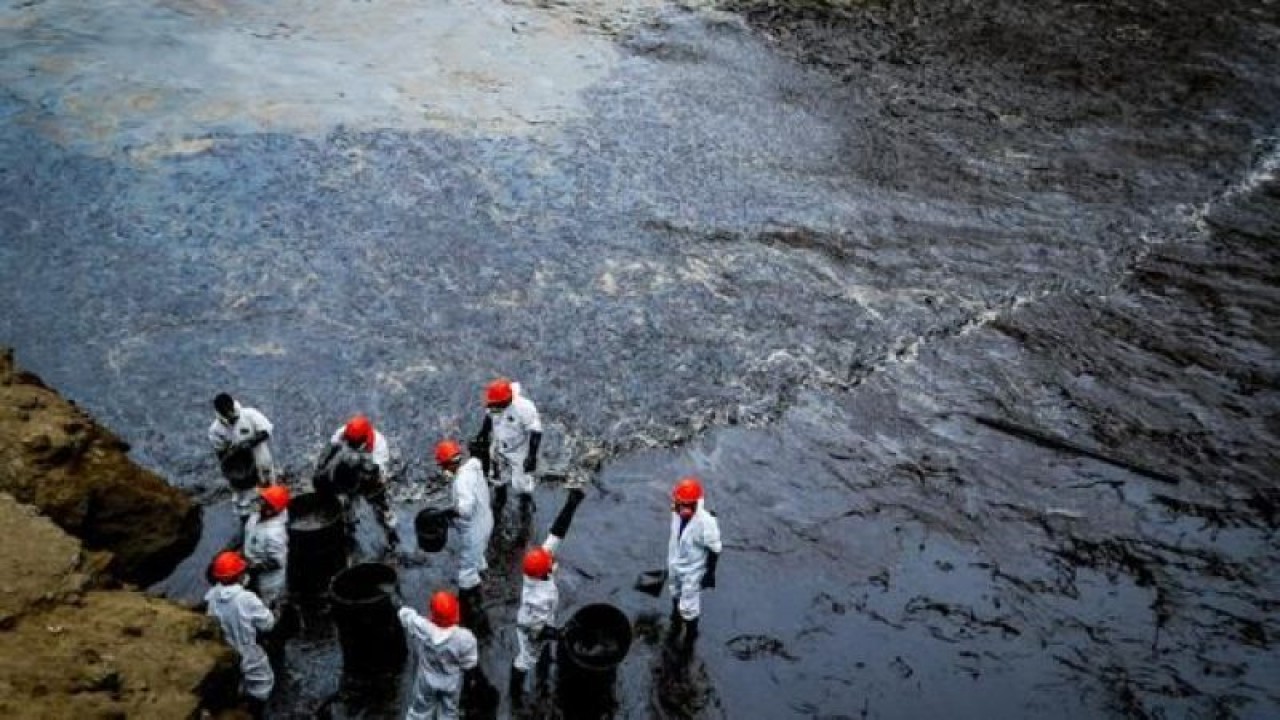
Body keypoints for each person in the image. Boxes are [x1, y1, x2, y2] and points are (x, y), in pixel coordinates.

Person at [510, 485, 586, 705]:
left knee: (545, 648)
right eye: (549, 563)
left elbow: (556, 533)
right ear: (543, 571)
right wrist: (558, 634)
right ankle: (515, 691)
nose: (552, 559)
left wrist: (571, 505)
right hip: (531, 628)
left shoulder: (537, 563)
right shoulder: (536, 599)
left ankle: (544, 659)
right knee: (526, 659)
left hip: (545, 617)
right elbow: (536, 630)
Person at [206, 550, 276, 716]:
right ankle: (254, 712)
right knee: (262, 685)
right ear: (239, 574)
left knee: (239, 683)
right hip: (248, 652)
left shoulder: (211, 597)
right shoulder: (246, 598)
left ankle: (240, 702)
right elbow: (268, 624)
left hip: (227, 652)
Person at [433, 439, 493, 635]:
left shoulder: (461, 482)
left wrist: (446, 513)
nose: (444, 470)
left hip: (474, 530)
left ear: (450, 464)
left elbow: (465, 510)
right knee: (479, 555)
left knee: (466, 574)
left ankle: (470, 612)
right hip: (486, 520)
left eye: (443, 466)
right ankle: (480, 569)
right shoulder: (474, 466)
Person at [314, 413, 399, 546]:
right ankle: (349, 526)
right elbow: (329, 450)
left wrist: (361, 470)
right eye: (349, 441)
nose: (349, 443)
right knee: (348, 501)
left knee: (380, 504)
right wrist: (321, 469)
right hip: (350, 472)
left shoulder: (379, 445)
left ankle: (390, 530)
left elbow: (377, 474)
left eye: (353, 443)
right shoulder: (343, 433)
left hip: (371, 478)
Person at [399, 591, 481, 720]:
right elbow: (469, 664)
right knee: (449, 711)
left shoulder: (424, 628)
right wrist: (471, 681)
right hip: (450, 683)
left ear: (433, 613)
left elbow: (406, 615)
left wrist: (400, 605)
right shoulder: (465, 638)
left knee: (421, 709)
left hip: (426, 680)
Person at [472, 378, 542, 523]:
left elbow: (536, 432)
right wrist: (483, 434)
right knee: (497, 475)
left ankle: (525, 499)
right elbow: (489, 418)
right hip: (498, 446)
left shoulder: (524, 407)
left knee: (520, 483)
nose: (492, 407)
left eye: (495, 405)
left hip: (518, 450)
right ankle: (500, 496)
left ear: (506, 400)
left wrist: (532, 456)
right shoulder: (494, 405)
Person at [667, 477, 721, 650]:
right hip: (675, 562)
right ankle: (675, 618)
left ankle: (691, 635)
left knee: (689, 605)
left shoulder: (706, 523)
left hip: (693, 570)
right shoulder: (676, 511)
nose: (683, 508)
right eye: (680, 503)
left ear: (696, 504)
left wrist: (710, 574)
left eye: (688, 504)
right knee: (674, 590)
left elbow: (715, 549)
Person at [208, 393, 276, 524]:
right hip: (241, 470)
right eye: (225, 412)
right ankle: (248, 524)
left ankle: (272, 521)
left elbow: (267, 431)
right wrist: (233, 462)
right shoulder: (215, 430)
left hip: (261, 461)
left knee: (269, 493)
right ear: (219, 412)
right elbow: (221, 455)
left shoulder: (250, 414)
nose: (229, 414)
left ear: (232, 405)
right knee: (244, 501)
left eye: (230, 410)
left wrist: (249, 443)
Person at [244, 485, 290, 611]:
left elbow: (278, 561)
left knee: (269, 606)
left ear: (271, 509)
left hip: (269, 582)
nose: (260, 501)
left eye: (264, 501)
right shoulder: (257, 515)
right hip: (254, 570)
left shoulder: (274, 534)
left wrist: (252, 567)